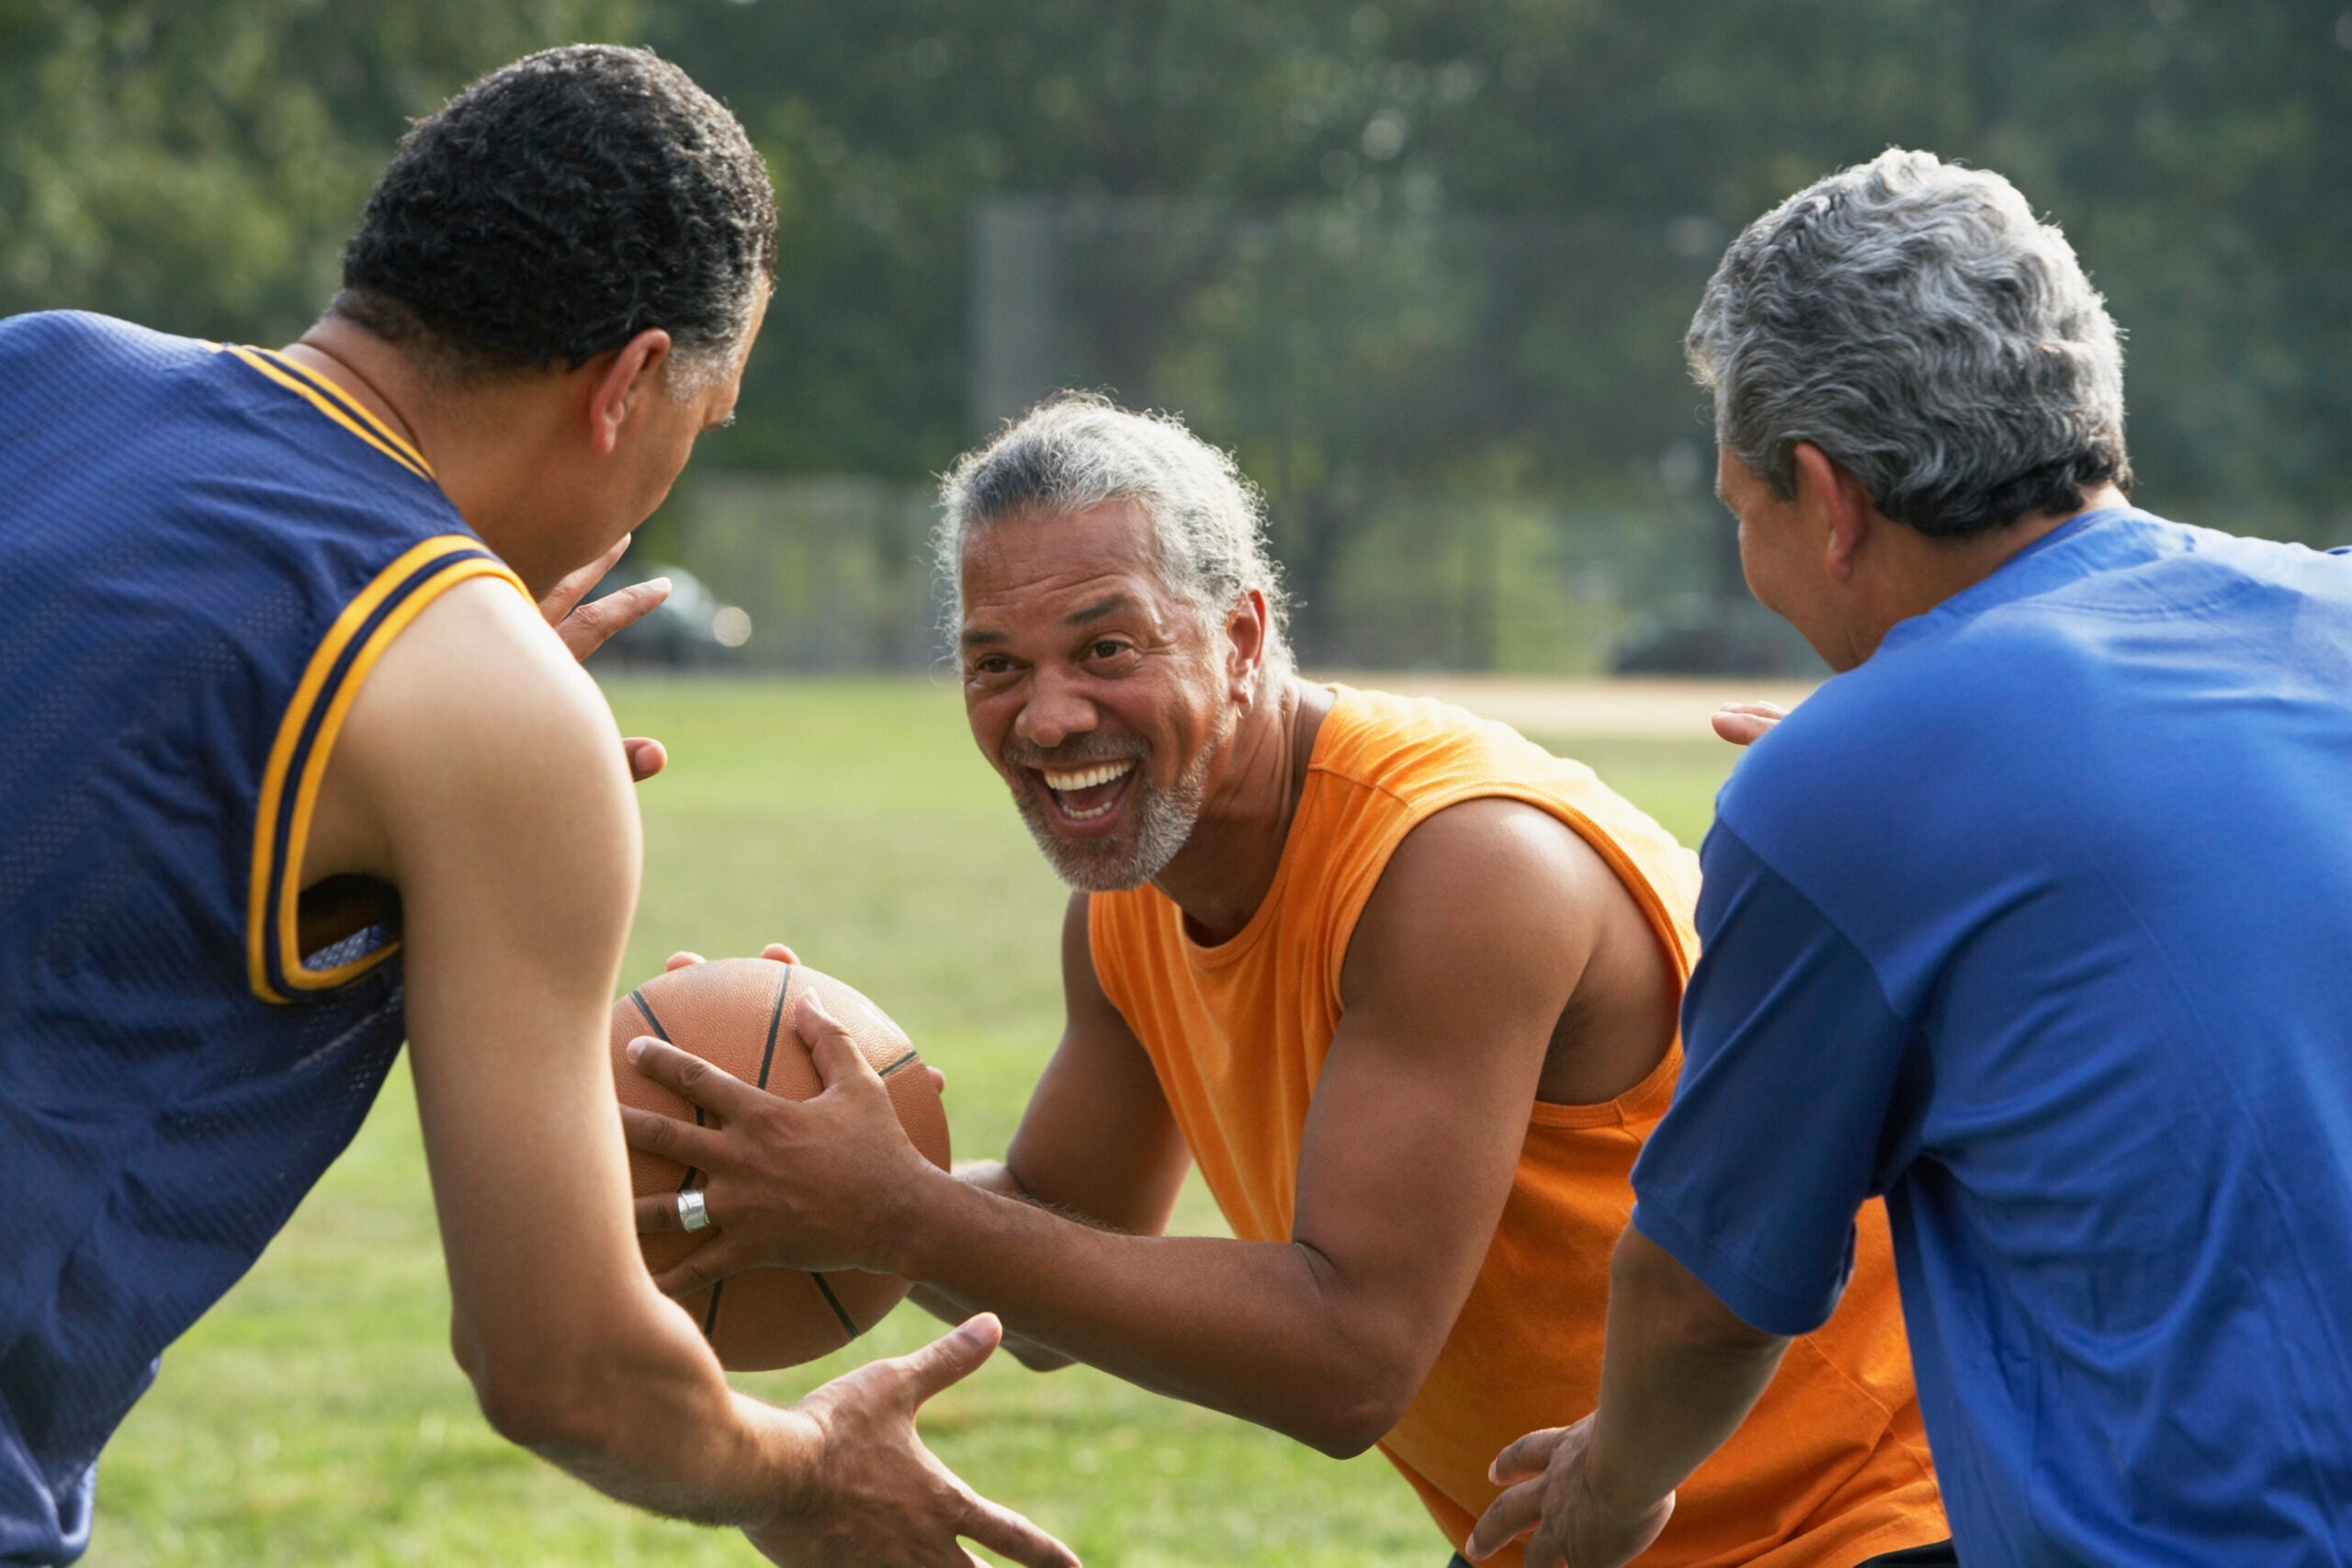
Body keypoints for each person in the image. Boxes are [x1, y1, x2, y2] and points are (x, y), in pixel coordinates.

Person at [0, 46, 1070, 1568]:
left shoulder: (40, 365)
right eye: (707, 420)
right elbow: (562, 1368)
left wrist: (440, 706)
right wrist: (801, 1469)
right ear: (631, 385)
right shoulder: (478, 702)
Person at [621, 395, 1953, 1565]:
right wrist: (777, 1160)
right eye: (996, 666)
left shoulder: (1457, 866)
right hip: (1586, 1536)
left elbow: (1349, 1359)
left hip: (1878, 1517)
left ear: (1244, 635)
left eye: (1106, 649)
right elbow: (1050, 1256)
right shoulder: (1134, 906)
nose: (1047, 716)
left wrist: (890, 1212)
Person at [1465, 149, 2352, 1568]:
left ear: (1826, 500)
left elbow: (1706, 1299)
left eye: (1737, 506)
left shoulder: (1856, 783)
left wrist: (1610, 1493)